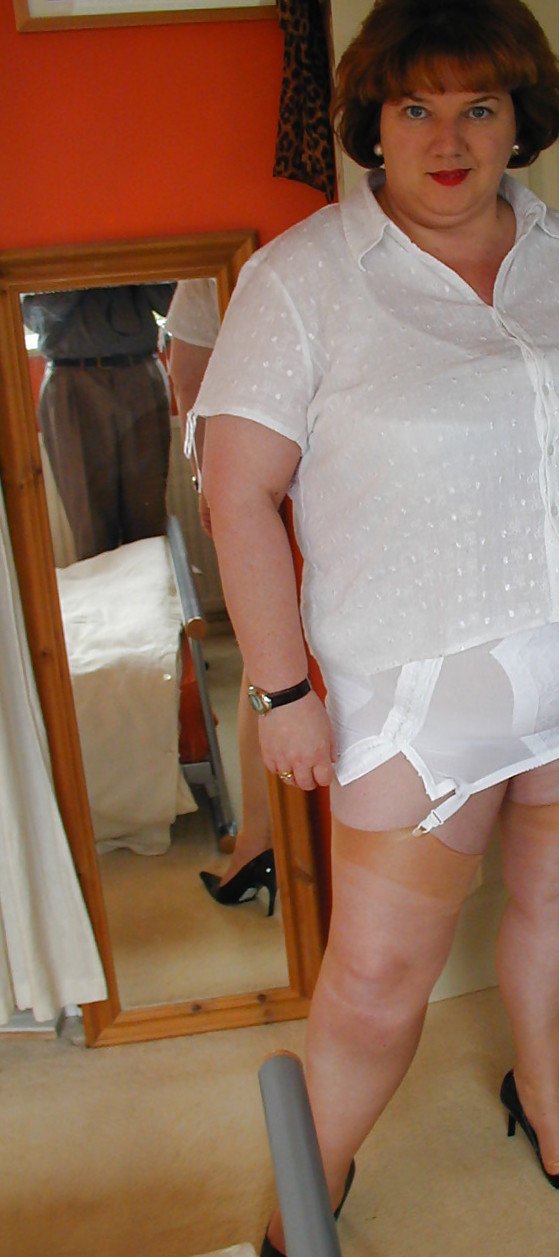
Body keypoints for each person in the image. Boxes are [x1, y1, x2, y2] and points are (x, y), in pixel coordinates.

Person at [196, 1, 559, 1250]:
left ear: (522, 116)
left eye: (479, 105)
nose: (449, 138)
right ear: (373, 121)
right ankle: (307, 1192)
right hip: (424, 706)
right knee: (375, 981)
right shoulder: (304, 279)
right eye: (415, 107)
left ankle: (547, 1104)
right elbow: (237, 491)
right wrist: (280, 693)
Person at [165, 279, 276, 902]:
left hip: (268, 481)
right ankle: (261, 841)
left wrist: (212, 480)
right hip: (270, 484)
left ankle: (260, 845)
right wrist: (215, 486)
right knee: (268, 660)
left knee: (267, 658)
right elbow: (188, 382)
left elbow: (187, 384)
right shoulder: (221, 279)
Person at [21, 284, 174, 561]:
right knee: (90, 525)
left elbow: (174, 305)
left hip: (139, 374)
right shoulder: (40, 260)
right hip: (72, 381)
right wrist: (82, 274)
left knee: (148, 517)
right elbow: (34, 318)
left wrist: (132, 268)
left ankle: (153, 588)